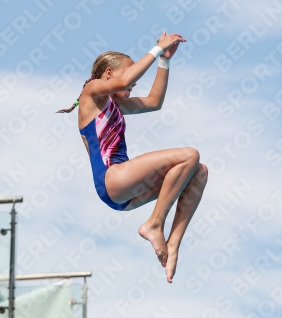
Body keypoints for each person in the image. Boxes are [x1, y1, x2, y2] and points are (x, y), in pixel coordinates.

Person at [57, 31, 208, 283]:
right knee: (189, 155)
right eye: (128, 81)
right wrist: (156, 48)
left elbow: (154, 101)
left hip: (124, 195)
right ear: (108, 74)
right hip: (112, 179)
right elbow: (126, 77)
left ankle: (172, 245)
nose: (132, 84)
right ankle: (154, 224)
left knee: (199, 171)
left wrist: (164, 60)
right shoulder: (92, 93)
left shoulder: (116, 106)